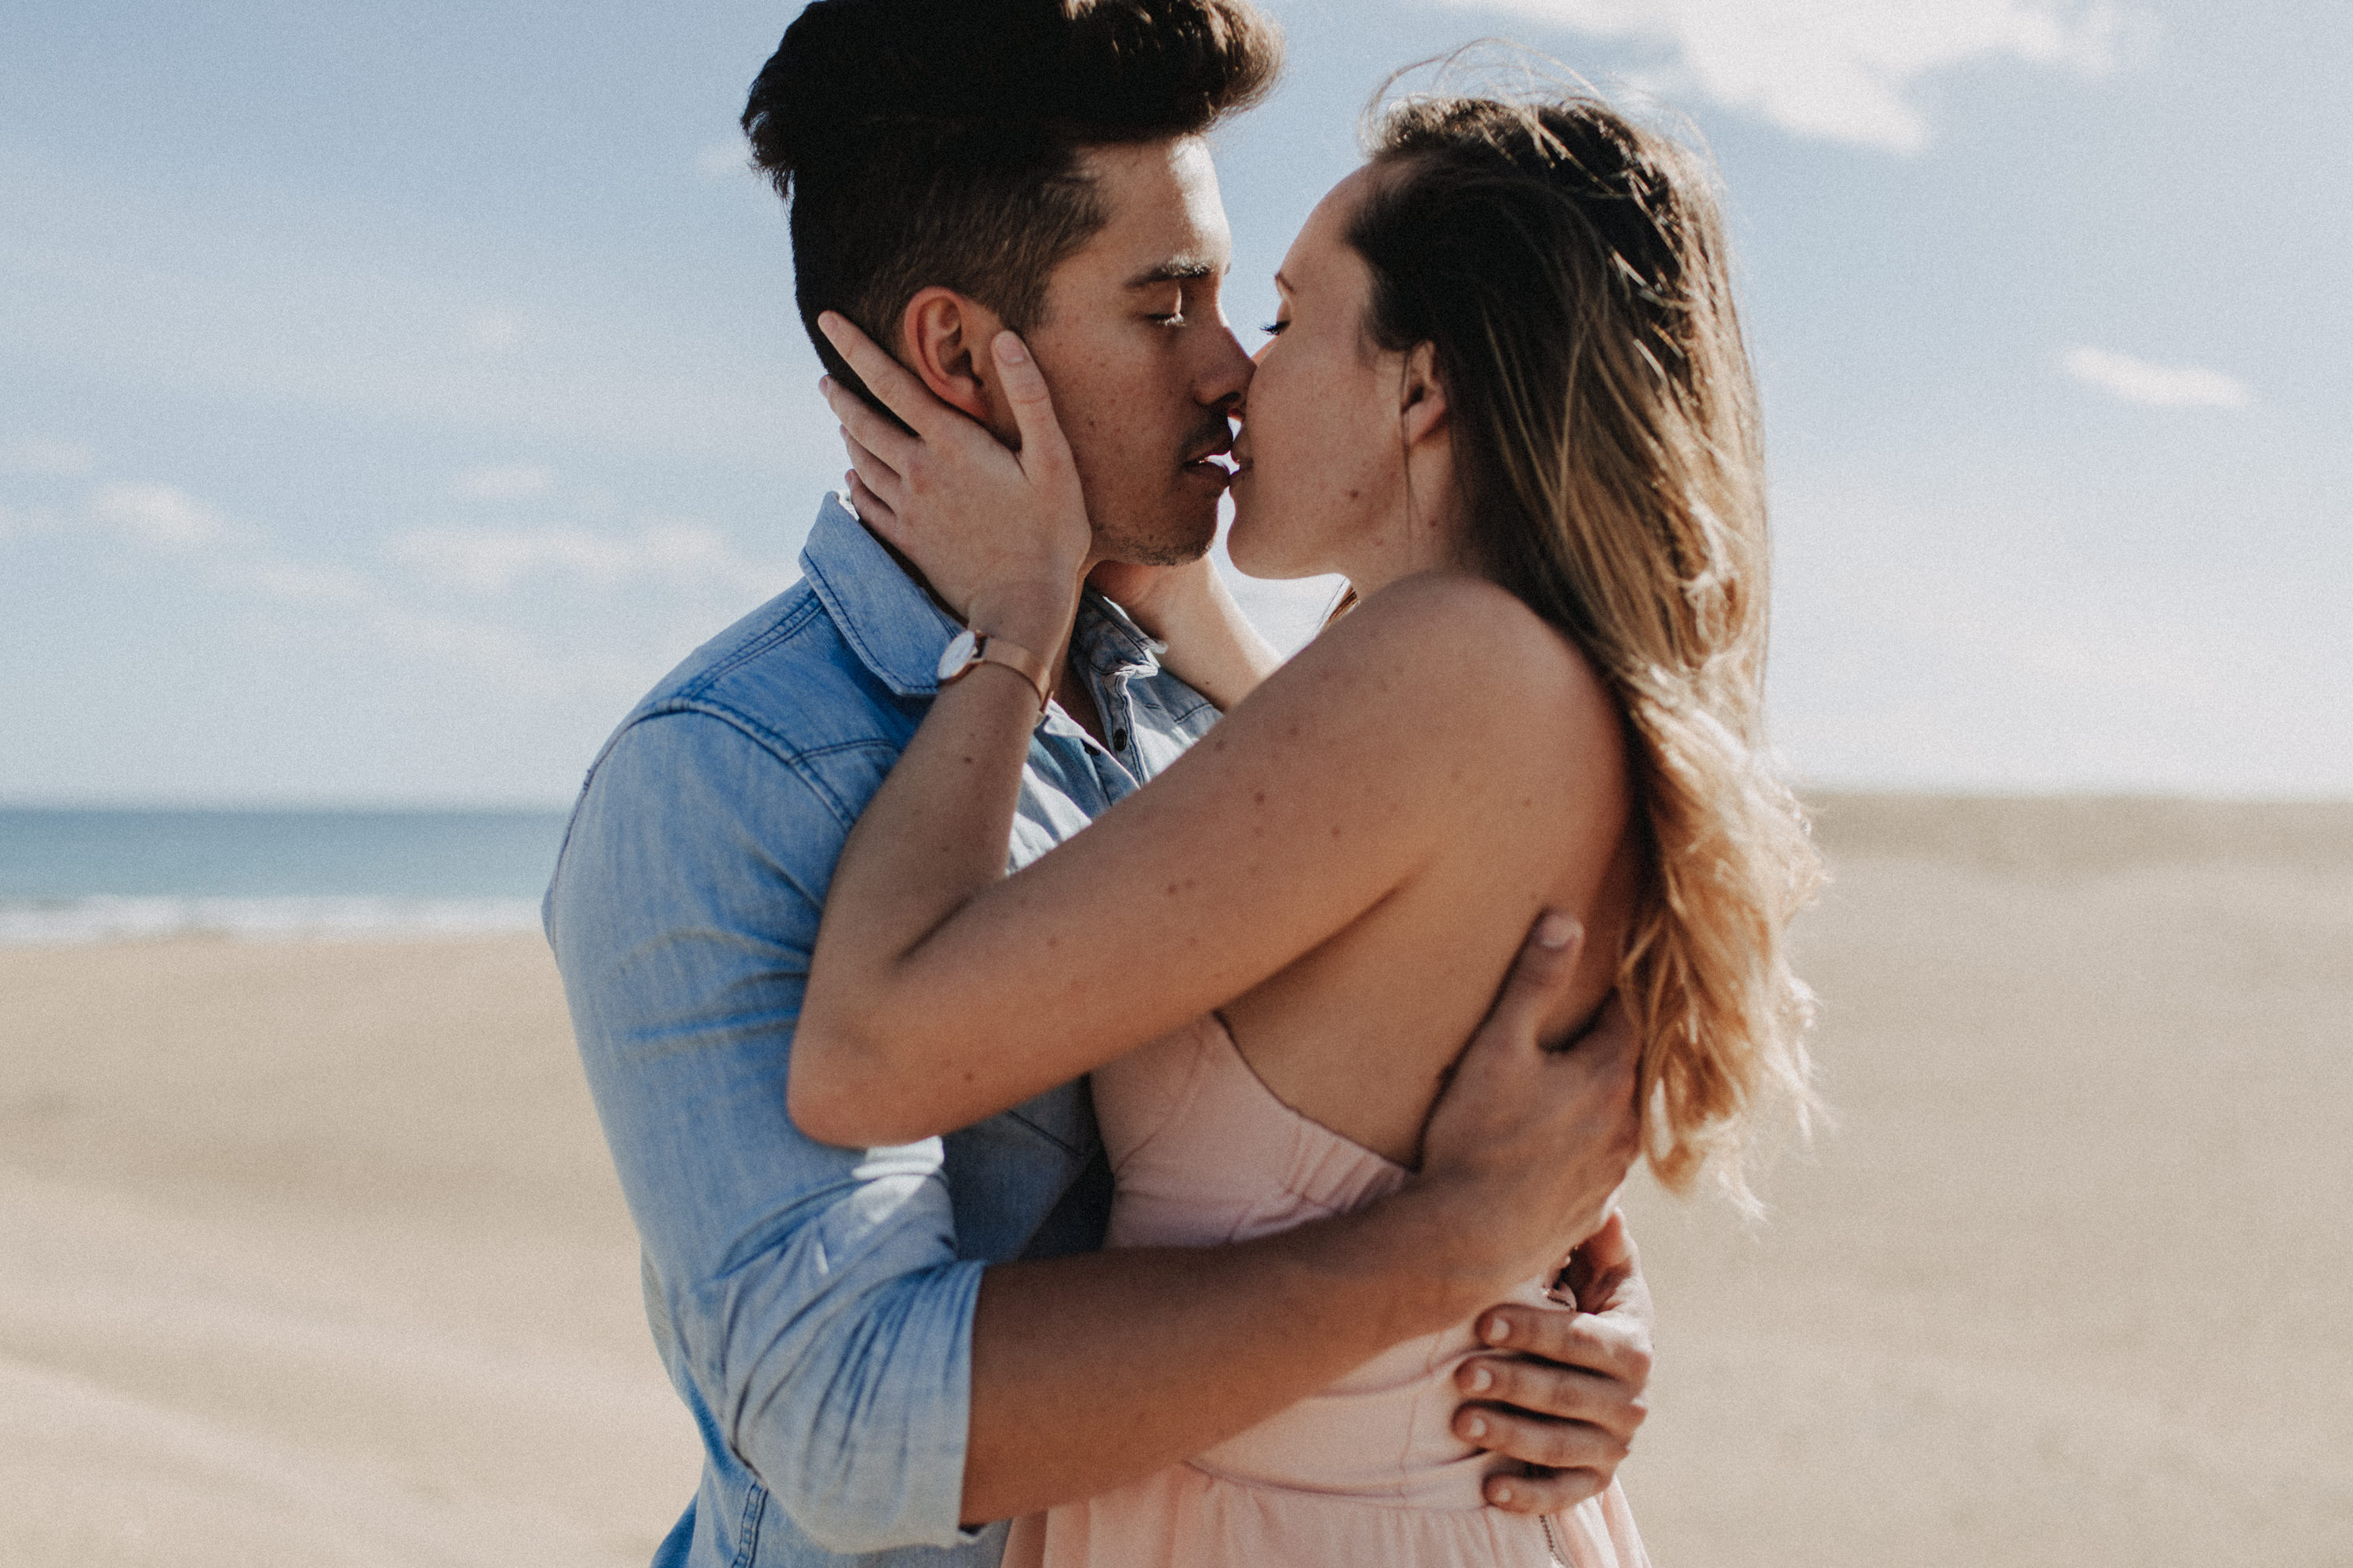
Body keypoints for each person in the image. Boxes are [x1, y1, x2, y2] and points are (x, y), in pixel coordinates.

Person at [546, 5, 1661, 1566]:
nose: (1228, 370)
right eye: (1168, 305)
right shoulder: (727, 776)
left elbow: (1430, 1104)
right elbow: (851, 1428)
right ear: (956, 356)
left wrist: (1533, 1338)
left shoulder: (1210, 713)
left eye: (1240, 300)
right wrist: (1436, 1256)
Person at [789, 64, 1820, 1568]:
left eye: (1278, 319)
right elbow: (1285, 755)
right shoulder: (1491, 672)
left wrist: (1013, 628)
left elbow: (866, 1056)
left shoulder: (1449, 670)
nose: (1231, 374)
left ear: (1424, 389)